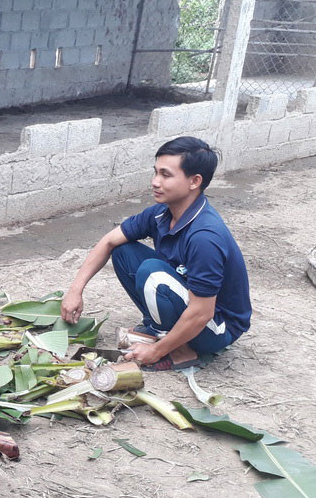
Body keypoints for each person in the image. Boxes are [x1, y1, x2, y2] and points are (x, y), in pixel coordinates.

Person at [61, 136, 251, 370]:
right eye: (155, 172)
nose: (155, 182)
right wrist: (75, 291)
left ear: (194, 181)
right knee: (123, 249)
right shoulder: (161, 213)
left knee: (153, 273)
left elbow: (202, 313)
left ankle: (179, 351)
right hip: (190, 300)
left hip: (217, 326)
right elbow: (109, 241)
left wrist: (155, 351)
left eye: (166, 175)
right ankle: (159, 330)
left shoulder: (205, 237)